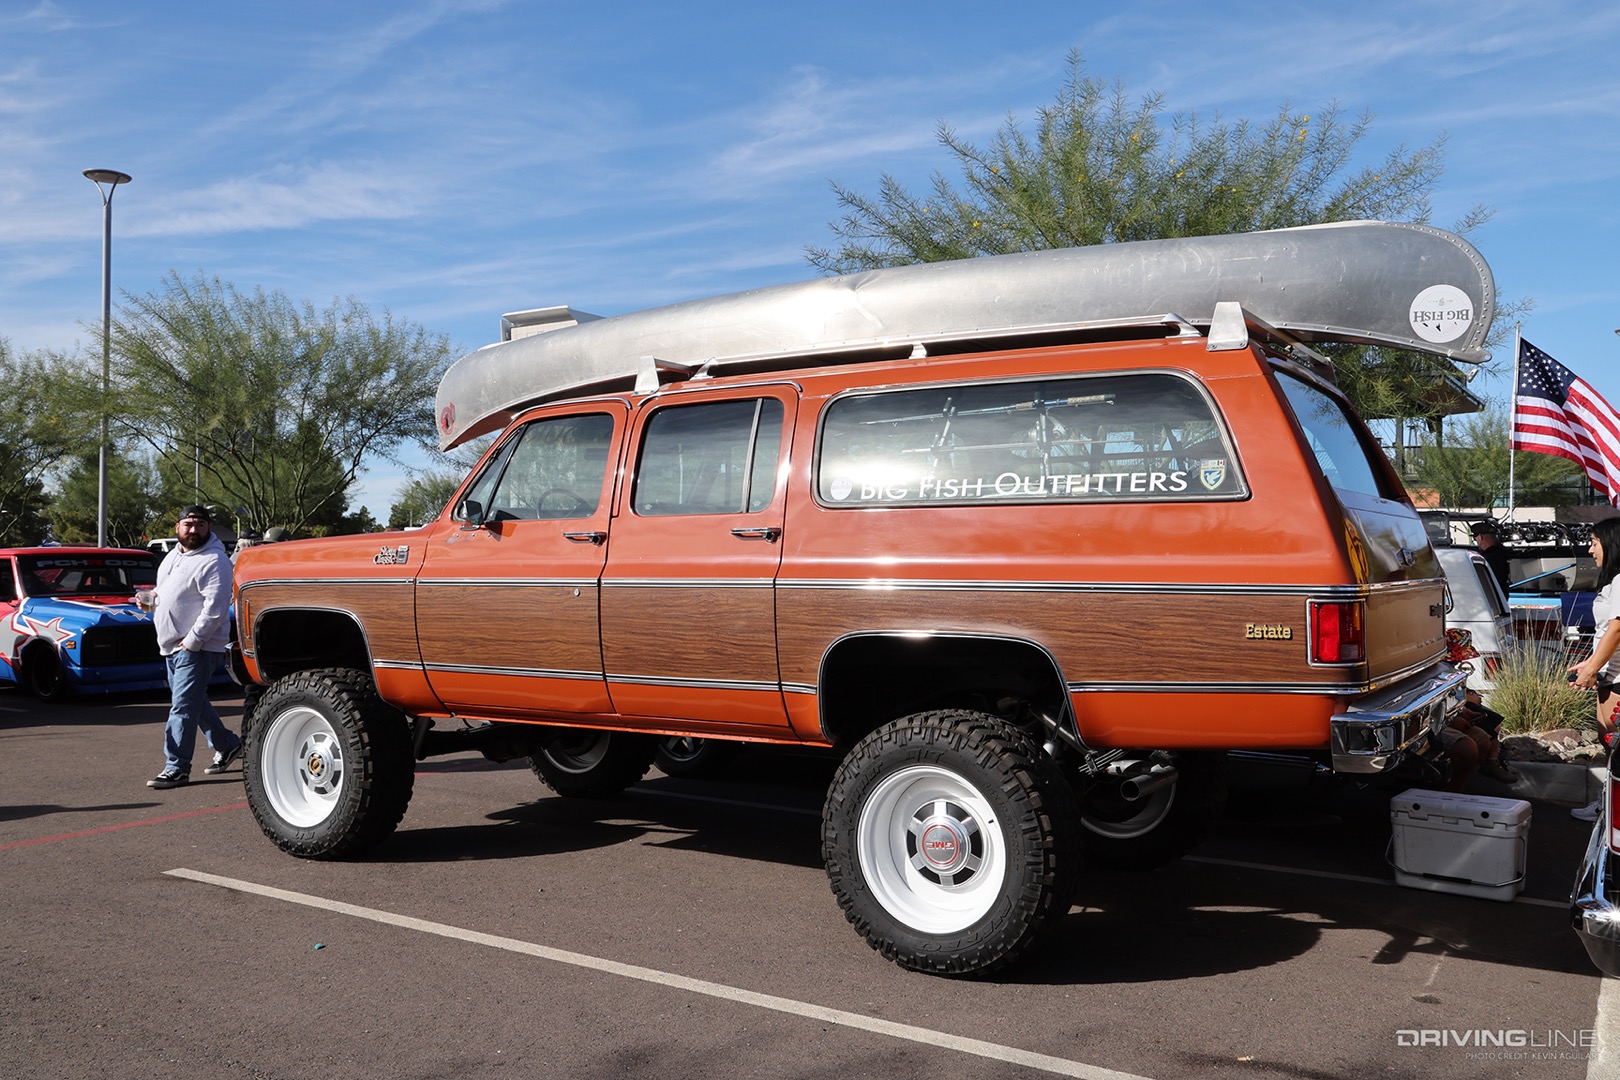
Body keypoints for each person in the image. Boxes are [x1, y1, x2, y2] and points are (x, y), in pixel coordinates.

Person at [142, 505, 242, 790]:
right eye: (188, 524)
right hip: (172, 645)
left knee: (182, 708)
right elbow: (164, 592)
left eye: (200, 524)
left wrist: (193, 641)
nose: (194, 529)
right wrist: (148, 600)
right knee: (194, 704)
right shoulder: (172, 556)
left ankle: (177, 767)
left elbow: (216, 606)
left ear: (208, 528)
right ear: (177, 528)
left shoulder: (215, 560)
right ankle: (229, 744)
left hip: (196, 647)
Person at [1569, 516, 1620, 821]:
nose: (1590, 550)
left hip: (1617, 678)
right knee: (1611, 747)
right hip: (1609, 676)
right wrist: (1591, 664)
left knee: (1617, 747)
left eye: (1594, 542)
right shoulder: (1614, 582)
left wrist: (1592, 669)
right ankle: (1608, 806)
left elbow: (1617, 629)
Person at [1471, 520, 1513, 596]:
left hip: (1490, 598)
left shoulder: (1486, 560)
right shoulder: (1503, 553)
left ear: (1480, 537)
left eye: (1475, 537)